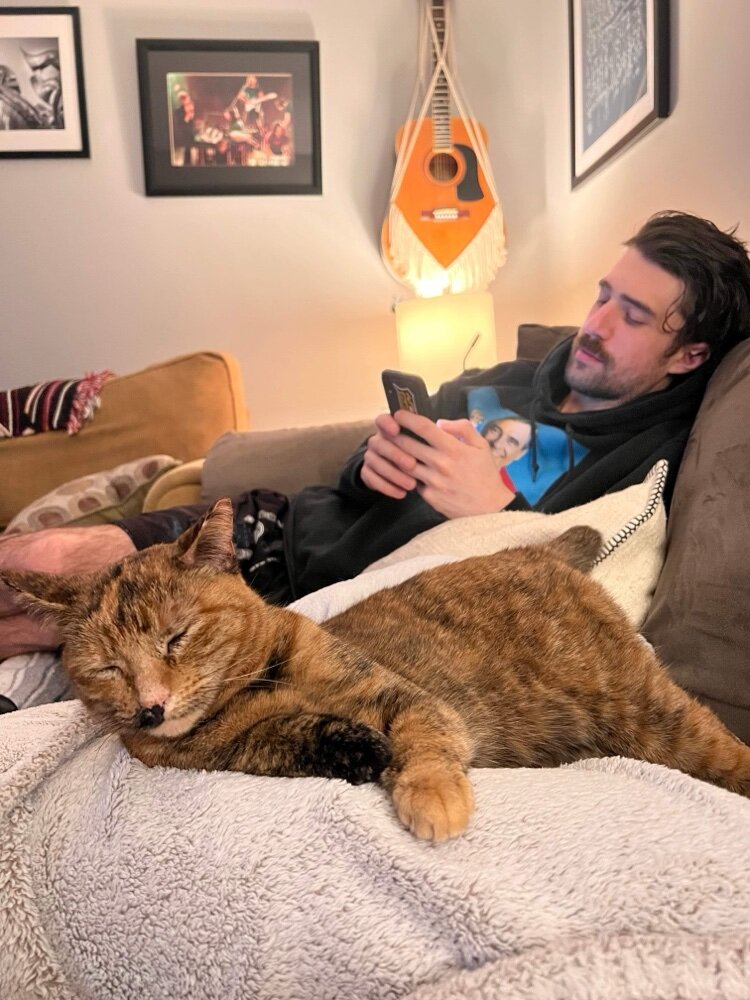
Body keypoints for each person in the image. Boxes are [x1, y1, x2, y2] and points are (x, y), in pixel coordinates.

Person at [2, 210, 750, 667]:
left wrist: (494, 516)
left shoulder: (645, 470)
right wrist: (376, 461)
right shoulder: (510, 377)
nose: (596, 324)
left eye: (634, 316)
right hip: (280, 529)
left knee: (51, 598)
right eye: (603, 295)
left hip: (313, 600)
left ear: (687, 356)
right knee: (35, 558)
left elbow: (567, 586)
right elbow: (360, 476)